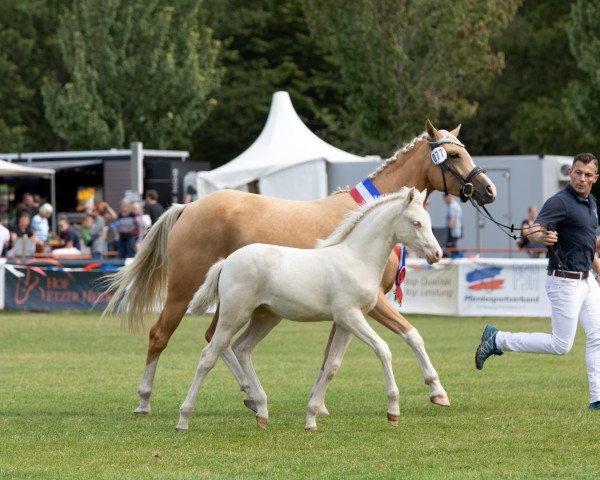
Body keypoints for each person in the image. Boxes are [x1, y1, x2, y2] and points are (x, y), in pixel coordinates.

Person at [475, 152, 600, 411]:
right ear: (570, 173)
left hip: (587, 281)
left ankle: (597, 398)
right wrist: (539, 238)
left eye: (588, 174)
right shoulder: (560, 202)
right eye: (578, 172)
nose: (582, 178)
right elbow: (531, 230)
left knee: (598, 336)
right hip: (564, 281)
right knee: (561, 345)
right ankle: (498, 340)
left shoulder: (591, 203)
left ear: (595, 178)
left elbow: (587, 245)